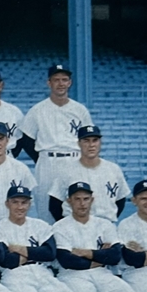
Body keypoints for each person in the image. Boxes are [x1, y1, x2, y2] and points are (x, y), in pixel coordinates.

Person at [19, 64, 93, 222]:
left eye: (64, 80)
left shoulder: (79, 110)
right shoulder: (38, 110)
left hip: (74, 159)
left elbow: (88, 138)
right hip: (48, 161)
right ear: (49, 83)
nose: (60, 83)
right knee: (46, 209)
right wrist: (40, 158)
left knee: (77, 206)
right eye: (56, 80)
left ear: (70, 83)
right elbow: (26, 139)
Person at [48, 125, 129, 223]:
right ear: (79, 143)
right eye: (86, 140)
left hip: (105, 225)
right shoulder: (67, 170)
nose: (91, 145)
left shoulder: (113, 169)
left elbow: (120, 200)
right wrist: (67, 225)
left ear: (100, 143)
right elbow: (55, 203)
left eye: (95, 140)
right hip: (75, 226)